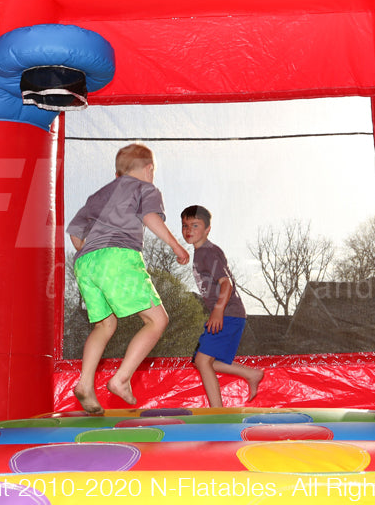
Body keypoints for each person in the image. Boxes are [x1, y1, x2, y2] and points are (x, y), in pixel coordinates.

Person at [67, 143, 189, 415]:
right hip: (117, 257)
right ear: (149, 169)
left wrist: (93, 253)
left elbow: (75, 232)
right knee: (157, 320)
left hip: (86, 263)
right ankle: (121, 379)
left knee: (104, 325)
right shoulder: (145, 188)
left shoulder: (99, 195)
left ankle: (85, 383)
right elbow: (149, 216)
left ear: (118, 171)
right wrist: (176, 246)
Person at [181, 205, 264, 407]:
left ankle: (217, 412)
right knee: (202, 360)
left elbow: (226, 283)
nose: (188, 230)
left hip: (227, 313)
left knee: (202, 361)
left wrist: (218, 311)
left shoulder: (207, 253)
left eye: (195, 225)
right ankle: (251, 373)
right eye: (185, 226)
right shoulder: (204, 252)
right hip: (231, 314)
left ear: (208, 229)